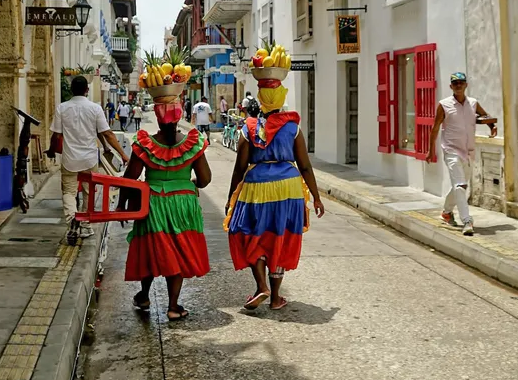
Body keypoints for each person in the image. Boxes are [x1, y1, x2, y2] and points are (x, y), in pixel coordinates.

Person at [225, 53, 325, 311]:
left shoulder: (248, 128)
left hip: (255, 187)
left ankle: (261, 285)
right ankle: (276, 297)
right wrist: (316, 196)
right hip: (289, 187)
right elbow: (304, 165)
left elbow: (240, 166)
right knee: (280, 236)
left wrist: (230, 196)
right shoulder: (293, 128)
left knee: (250, 233)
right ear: (281, 97)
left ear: (260, 99)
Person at [120, 84, 212, 320]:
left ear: (158, 118)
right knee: (178, 249)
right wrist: (189, 183)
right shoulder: (193, 143)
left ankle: (144, 295)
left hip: (152, 203)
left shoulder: (144, 144)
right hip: (183, 204)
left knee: (152, 248)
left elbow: (130, 177)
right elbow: (205, 179)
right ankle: (173, 306)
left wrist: (122, 205)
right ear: (179, 115)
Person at [49, 76, 130, 241]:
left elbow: (56, 135)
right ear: (87, 90)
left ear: (71, 89)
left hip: (70, 158)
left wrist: (51, 151)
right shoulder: (95, 108)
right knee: (88, 191)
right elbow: (107, 133)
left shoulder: (62, 108)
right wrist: (122, 154)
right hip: (89, 159)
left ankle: (72, 219)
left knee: (69, 192)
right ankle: (85, 225)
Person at [427, 72, 497, 237]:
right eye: (455, 83)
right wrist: (431, 150)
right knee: (460, 185)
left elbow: (485, 116)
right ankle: (467, 220)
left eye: (461, 82)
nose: (458, 85)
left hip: (469, 151)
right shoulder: (444, 105)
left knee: (460, 185)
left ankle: (446, 212)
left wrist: (492, 126)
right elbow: (435, 128)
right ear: (451, 86)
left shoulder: (473, 103)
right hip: (451, 150)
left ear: (466, 85)